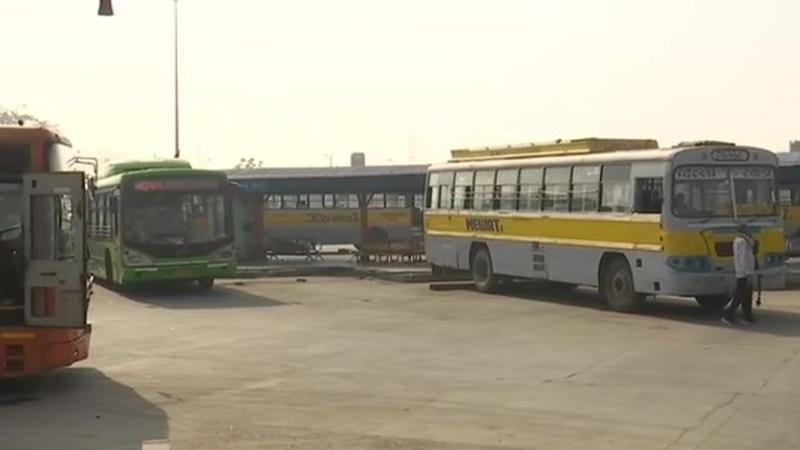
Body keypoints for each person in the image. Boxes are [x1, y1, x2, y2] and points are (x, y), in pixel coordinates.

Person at [722, 223, 757, 325]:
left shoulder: (745, 241)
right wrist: (746, 273)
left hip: (745, 272)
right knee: (739, 296)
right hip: (744, 273)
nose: (750, 230)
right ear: (743, 230)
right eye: (747, 228)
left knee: (746, 296)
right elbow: (742, 259)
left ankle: (748, 317)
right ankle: (728, 316)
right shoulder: (742, 242)